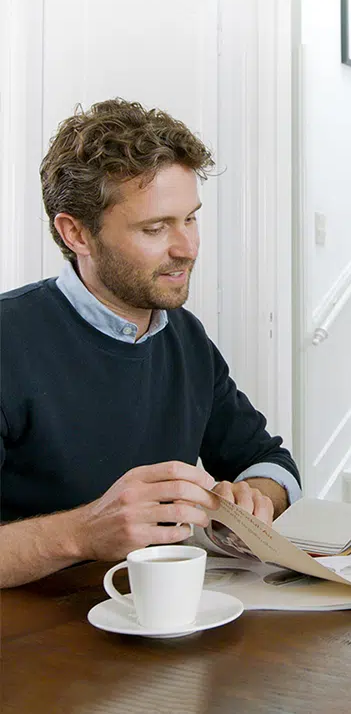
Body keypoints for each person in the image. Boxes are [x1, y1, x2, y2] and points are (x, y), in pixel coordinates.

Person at [0, 99, 301, 588]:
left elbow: (270, 461)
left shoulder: (186, 336)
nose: (187, 248)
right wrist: (81, 534)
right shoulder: (9, 339)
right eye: (156, 228)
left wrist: (253, 496)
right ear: (75, 232)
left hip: (157, 628)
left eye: (191, 219)